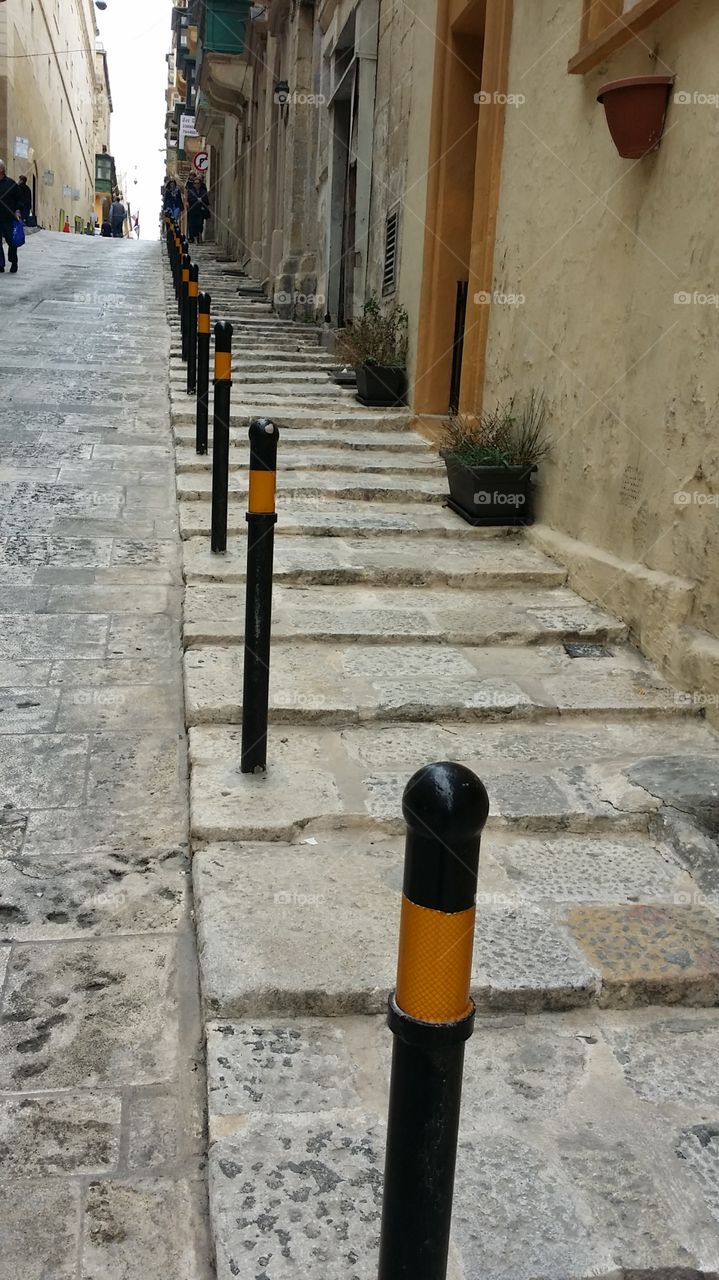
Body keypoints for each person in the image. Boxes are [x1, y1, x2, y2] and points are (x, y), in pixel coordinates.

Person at [0, 160, 22, 274]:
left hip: (9, 218)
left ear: (1, 170)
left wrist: (17, 210)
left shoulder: (11, 184)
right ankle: (0, 264)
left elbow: (19, 199)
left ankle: (13, 261)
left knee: (11, 242)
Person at [186, 175, 207, 244]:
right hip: (192, 210)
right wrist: (196, 199)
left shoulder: (203, 191)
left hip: (200, 210)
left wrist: (201, 200)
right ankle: (195, 239)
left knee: (200, 223)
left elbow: (206, 199)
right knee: (193, 224)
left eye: (198, 183)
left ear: (200, 184)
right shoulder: (191, 191)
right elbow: (189, 199)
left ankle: (200, 235)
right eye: (195, 183)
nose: (196, 185)